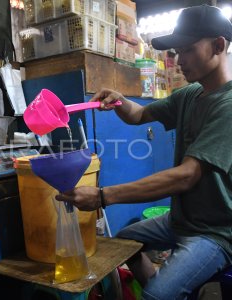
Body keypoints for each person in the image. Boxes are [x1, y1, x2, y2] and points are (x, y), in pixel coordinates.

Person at [55, 4, 232, 300]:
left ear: (218, 45)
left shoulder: (228, 106)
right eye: (175, 52)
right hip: (181, 219)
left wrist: (103, 196)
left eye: (187, 50)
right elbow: (138, 115)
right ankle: (158, 287)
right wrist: (119, 100)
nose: (178, 61)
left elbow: (186, 176)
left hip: (214, 232)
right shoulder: (190, 94)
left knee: (155, 296)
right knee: (123, 242)